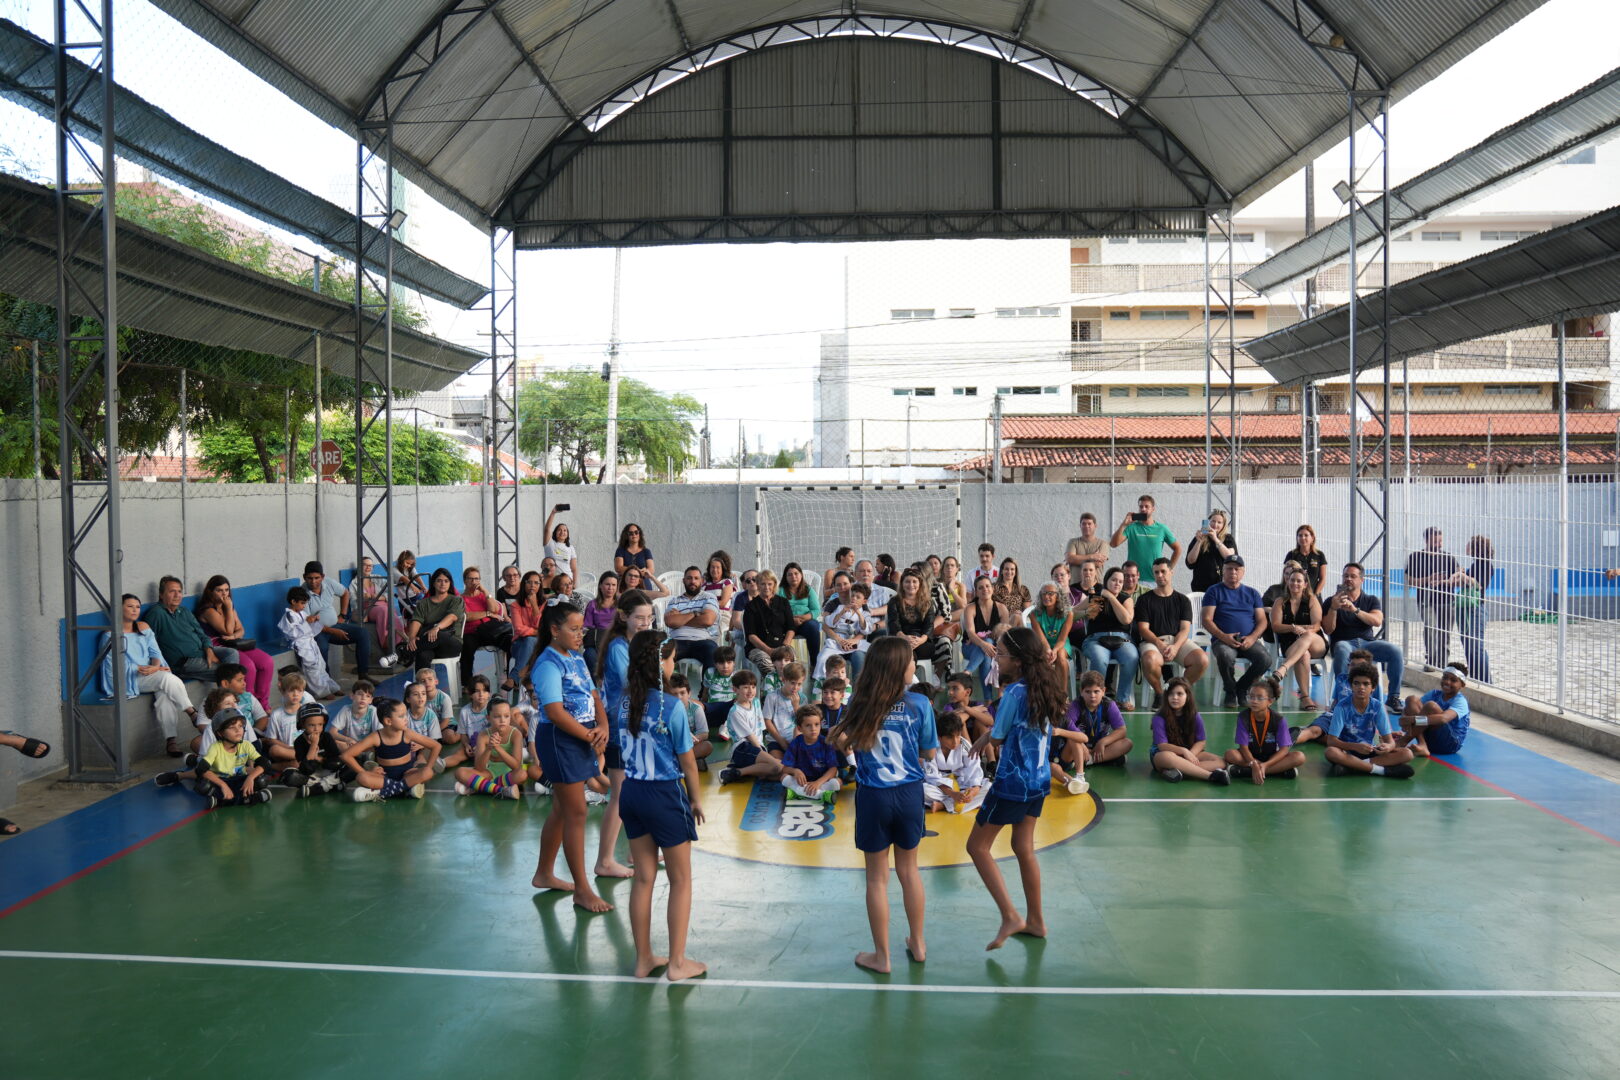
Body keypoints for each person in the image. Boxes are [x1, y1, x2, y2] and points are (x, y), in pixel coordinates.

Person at [967, 627, 1080, 950]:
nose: (996, 658)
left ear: (1016, 660)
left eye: (1000, 653)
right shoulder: (1043, 685)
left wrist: (988, 735)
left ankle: (1009, 915)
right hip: (1039, 779)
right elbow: (1014, 729)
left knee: (977, 847)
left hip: (1012, 782)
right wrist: (984, 737)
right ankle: (1036, 921)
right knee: (1023, 847)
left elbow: (1000, 736)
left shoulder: (1014, 693)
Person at [832, 637, 937, 974]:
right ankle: (918, 943)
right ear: (897, 668)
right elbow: (930, 753)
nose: (914, 665)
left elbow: (841, 740)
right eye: (910, 661)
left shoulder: (860, 705)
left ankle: (882, 957)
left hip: (874, 795)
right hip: (909, 794)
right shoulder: (920, 703)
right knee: (909, 871)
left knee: (877, 879)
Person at [616, 630, 707, 981]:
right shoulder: (672, 706)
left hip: (631, 793)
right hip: (664, 796)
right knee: (681, 880)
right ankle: (677, 963)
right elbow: (687, 762)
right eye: (669, 658)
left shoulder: (624, 701)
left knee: (643, 878)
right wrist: (696, 799)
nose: (673, 664)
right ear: (659, 664)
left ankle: (643, 960)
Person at [528, 603, 614, 913]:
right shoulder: (548, 664)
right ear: (554, 630)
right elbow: (553, 711)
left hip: (582, 737)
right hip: (559, 741)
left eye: (582, 629)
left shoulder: (576, 659)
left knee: (561, 810)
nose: (581, 635)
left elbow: (594, 697)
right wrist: (590, 737)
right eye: (574, 630)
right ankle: (582, 889)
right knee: (576, 812)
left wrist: (602, 725)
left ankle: (544, 873)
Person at [594, 589, 657, 880]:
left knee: (636, 792)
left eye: (649, 618)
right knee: (619, 797)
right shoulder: (620, 646)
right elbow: (630, 682)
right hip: (620, 729)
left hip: (635, 726)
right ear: (624, 616)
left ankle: (636, 851)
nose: (645, 623)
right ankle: (605, 860)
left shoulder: (639, 643)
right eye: (639, 618)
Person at [102, 593, 196, 757]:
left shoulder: (143, 628)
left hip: (152, 674)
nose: (135, 610)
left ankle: (171, 741)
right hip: (131, 679)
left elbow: (155, 653)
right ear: (119, 609)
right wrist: (153, 670)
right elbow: (117, 667)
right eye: (130, 606)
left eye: (137, 607)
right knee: (167, 679)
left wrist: (156, 667)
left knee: (165, 693)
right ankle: (191, 712)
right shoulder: (110, 636)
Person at [1322, 562, 1405, 708]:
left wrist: (1355, 610)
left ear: (1361, 580)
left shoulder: (1371, 600)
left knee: (1395, 651)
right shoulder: (1331, 601)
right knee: (1341, 648)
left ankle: (1393, 697)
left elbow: (1377, 621)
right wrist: (1334, 609)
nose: (1348, 579)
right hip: (1344, 643)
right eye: (1346, 576)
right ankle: (1343, 697)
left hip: (1367, 644)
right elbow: (1328, 630)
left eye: (1353, 576)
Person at [1134, 557, 1208, 706]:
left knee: (1202, 660)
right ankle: (1160, 694)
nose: (1160, 575)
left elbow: (1184, 629)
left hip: (1177, 641)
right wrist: (1159, 644)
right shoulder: (1144, 599)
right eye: (1156, 572)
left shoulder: (1183, 600)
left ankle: (1178, 691)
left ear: (1171, 572)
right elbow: (1143, 629)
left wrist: (1175, 647)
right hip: (1152, 641)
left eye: (1163, 571)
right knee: (1150, 660)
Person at [193, 575, 275, 705]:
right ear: (210, 592)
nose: (224, 594)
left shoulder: (228, 606)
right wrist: (229, 610)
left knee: (267, 662)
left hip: (232, 643)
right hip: (217, 646)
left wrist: (233, 636)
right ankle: (248, 706)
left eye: (226, 590)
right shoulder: (208, 610)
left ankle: (262, 704)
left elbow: (241, 630)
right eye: (219, 590)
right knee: (248, 667)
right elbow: (228, 630)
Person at [1201, 555, 1269, 709]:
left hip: (1248, 640)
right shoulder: (1213, 591)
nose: (1233, 572)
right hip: (1223, 640)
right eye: (1229, 568)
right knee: (1225, 655)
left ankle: (1241, 688)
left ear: (1243, 572)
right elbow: (1206, 619)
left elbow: (1262, 621)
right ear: (1223, 571)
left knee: (1265, 659)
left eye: (1237, 569)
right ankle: (1230, 691)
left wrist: (1252, 638)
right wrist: (1223, 637)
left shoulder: (1252, 593)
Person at [1323, 664, 1415, 779]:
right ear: (1351, 686)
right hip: (1347, 752)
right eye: (1356, 683)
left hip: (1368, 751)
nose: (1361, 687)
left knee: (1407, 753)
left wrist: (1387, 747)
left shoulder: (1377, 706)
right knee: (1331, 752)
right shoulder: (1341, 707)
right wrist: (1355, 746)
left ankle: (1352, 767)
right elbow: (1331, 741)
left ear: (1373, 687)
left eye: (1366, 684)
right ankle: (1380, 770)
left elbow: (1390, 741)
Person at [343, 696, 440, 801]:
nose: (406, 719)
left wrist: (428, 766)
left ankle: (382, 792)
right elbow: (346, 755)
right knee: (361, 777)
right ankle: (404, 788)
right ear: (388, 721)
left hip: (407, 774)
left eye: (405, 715)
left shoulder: (407, 734)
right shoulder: (375, 737)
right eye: (401, 716)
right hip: (384, 777)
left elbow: (436, 746)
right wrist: (364, 772)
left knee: (428, 772)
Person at [144, 576, 240, 680]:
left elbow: (202, 634)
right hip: (184, 661)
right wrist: (159, 665)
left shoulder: (184, 611)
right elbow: (149, 644)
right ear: (161, 595)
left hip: (201, 652)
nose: (177, 595)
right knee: (229, 672)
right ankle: (227, 694)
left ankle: (226, 693)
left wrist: (209, 649)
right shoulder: (156, 614)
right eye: (172, 591)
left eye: (179, 591)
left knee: (231, 654)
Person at [300, 561, 376, 683]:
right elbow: (310, 623)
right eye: (309, 578)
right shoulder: (302, 593)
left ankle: (363, 675)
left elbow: (345, 593)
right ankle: (327, 683)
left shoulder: (328, 583)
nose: (313, 582)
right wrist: (334, 631)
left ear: (323, 577)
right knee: (321, 648)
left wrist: (343, 614)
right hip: (318, 632)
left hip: (335, 626)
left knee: (363, 634)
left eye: (316, 578)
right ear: (304, 577)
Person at [1222, 677, 1305, 783]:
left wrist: (1265, 765)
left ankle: (1246, 772)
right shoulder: (1243, 717)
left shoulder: (1279, 720)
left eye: (1260, 698)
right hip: (1249, 758)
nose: (1254, 701)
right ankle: (1278, 771)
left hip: (1272, 758)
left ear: (1270, 701)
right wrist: (1253, 763)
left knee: (1299, 757)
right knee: (1230, 754)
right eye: (1251, 697)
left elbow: (1284, 749)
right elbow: (1243, 747)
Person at [1080, 566, 1139, 710]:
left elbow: (1126, 619)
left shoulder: (1126, 599)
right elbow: (1073, 612)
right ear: (1107, 581)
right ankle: (1098, 699)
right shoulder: (1095, 597)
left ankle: (1122, 699)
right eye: (1114, 580)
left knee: (1132, 657)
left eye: (1120, 581)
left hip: (1122, 640)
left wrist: (1111, 597)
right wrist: (1086, 611)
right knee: (1100, 659)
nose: (1117, 583)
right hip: (1095, 640)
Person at [1150, 677, 1230, 784]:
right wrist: (1184, 751)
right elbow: (1162, 746)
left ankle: (1178, 771)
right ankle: (1210, 776)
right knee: (1167, 757)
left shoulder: (1195, 716)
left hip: (1190, 752)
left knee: (1221, 762)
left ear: (1187, 696)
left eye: (1179, 694)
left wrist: (1190, 754)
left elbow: (1201, 742)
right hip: (1164, 755)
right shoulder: (1159, 718)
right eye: (1171, 694)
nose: (1175, 697)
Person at [1271, 563, 1327, 710]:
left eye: (1299, 581)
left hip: (1316, 642)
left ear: (1305, 584)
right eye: (1292, 580)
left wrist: (1303, 630)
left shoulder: (1312, 600)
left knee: (1308, 635)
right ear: (1287, 582)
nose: (1295, 583)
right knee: (1303, 655)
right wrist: (1292, 628)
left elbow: (1316, 626)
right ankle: (1305, 697)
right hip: (1291, 645)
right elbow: (1276, 626)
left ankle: (1283, 669)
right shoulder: (1280, 602)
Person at [194, 708, 272, 808]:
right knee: (203, 786)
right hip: (221, 780)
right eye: (232, 727)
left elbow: (265, 763)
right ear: (220, 733)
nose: (238, 730)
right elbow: (201, 769)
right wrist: (223, 785)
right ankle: (249, 798)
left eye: (240, 726)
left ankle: (222, 801)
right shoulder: (215, 747)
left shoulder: (246, 745)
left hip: (239, 779)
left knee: (261, 780)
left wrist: (250, 778)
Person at [716, 670, 784, 784]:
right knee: (778, 766)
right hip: (743, 748)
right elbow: (750, 737)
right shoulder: (735, 711)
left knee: (776, 771)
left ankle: (736, 770)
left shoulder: (756, 702)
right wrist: (766, 755)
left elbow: (759, 731)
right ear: (735, 689)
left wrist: (764, 752)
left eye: (753, 687)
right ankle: (735, 772)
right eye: (746, 687)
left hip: (756, 747)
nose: (751, 691)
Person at [1407, 526, 1460, 670]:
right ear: (1426, 540)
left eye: (1440, 541)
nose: (1438, 544)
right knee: (1430, 629)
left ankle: (1442, 665)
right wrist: (1428, 579)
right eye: (1435, 541)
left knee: (1445, 634)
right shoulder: (1416, 557)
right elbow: (1409, 580)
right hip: (1427, 600)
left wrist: (1450, 579)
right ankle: (1430, 660)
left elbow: (1459, 576)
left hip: (1447, 601)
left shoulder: (1449, 557)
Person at [453, 699, 526, 799]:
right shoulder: (483, 735)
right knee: (460, 772)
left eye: (506, 716)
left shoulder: (516, 734)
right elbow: (479, 767)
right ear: (488, 718)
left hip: (510, 774)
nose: (502, 720)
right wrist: (489, 748)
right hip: (489, 773)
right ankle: (500, 790)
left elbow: (516, 766)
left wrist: (497, 748)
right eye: (497, 716)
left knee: (522, 774)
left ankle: (479, 786)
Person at [279, 586, 342, 699]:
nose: (304, 606)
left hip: (310, 642)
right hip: (301, 645)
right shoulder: (288, 616)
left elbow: (308, 625)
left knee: (320, 666)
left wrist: (313, 620)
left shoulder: (301, 613)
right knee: (312, 669)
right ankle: (323, 692)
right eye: (302, 603)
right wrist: (307, 622)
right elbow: (293, 633)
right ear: (293, 602)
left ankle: (331, 687)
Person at [1396, 663, 1472, 757]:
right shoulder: (1434, 693)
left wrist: (1411, 720)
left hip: (1450, 744)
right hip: (1430, 739)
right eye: (1445, 678)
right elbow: (1413, 708)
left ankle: (1403, 741)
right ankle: (1422, 744)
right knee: (1411, 699)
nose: (1447, 682)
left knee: (1431, 706)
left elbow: (1443, 719)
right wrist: (1404, 716)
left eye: (1453, 680)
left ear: (1462, 685)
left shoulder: (1460, 701)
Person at [891, 568, 951, 686]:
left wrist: (920, 640)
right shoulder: (894, 601)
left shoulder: (927, 602)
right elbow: (893, 624)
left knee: (908, 649)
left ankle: (910, 681)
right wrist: (905, 638)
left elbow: (929, 625)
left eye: (914, 581)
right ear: (902, 583)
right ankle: (911, 681)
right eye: (907, 581)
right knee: (906, 649)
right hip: (901, 640)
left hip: (924, 642)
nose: (911, 585)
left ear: (920, 584)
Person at [399, 568, 464, 676]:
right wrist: (411, 638)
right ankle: (422, 689)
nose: (443, 584)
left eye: (446, 581)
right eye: (439, 580)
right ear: (433, 583)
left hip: (450, 644)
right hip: (428, 644)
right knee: (422, 655)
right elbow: (416, 620)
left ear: (450, 584)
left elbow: (452, 617)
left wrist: (437, 627)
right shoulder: (423, 603)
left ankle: (403, 653)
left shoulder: (456, 600)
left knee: (437, 634)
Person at [459, 566, 515, 689]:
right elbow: (467, 616)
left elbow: (495, 609)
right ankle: (466, 683)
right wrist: (488, 614)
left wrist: (486, 592)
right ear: (465, 581)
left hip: (491, 631)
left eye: (477, 579)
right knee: (467, 646)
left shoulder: (483, 596)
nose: (474, 582)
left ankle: (513, 679)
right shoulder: (460, 599)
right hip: (472, 632)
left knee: (512, 642)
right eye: (471, 579)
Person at [923, 711, 985, 815]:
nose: (955, 741)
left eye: (958, 735)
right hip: (940, 788)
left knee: (988, 789)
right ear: (939, 737)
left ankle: (942, 805)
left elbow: (975, 773)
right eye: (950, 737)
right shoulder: (930, 747)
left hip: (963, 785)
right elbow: (932, 777)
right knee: (922, 790)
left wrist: (973, 791)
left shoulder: (965, 745)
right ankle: (957, 804)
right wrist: (953, 794)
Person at [1068, 669, 1132, 770]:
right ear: (1081, 692)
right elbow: (1068, 728)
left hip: (1100, 746)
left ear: (1103, 691)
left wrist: (1103, 742)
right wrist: (1081, 744)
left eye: (1096, 691)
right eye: (1088, 692)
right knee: (1069, 744)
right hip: (1080, 745)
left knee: (1127, 743)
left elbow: (1122, 730)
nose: (1092, 696)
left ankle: (1089, 760)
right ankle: (1106, 759)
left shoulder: (1109, 705)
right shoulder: (1076, 705)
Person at [348, 558, 405, 669]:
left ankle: (396, 647)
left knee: (395, 617)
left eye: (371, 565)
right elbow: (353, 602)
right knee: (383, 611)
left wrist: (379, 596)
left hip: (383, 604)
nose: (368, 567)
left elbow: (389, 594)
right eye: (365, 565)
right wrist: (363, 599)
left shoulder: (378, 578)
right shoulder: (354, 583)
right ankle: (385, 643)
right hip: (369, 608)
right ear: (360, 566)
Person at [1111, 495, 1182, 583]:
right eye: (1141, 506)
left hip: (1154, 579)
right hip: (1133, 580)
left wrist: (1168, 569)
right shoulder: (1131, 527)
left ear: (1153, 509)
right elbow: (1113, 544)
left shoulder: (1162, 529)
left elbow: (1178, 549)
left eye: (1146, 506)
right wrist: (1124, 524)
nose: (1143, 509)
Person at [780, 705, 842, 805]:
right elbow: (785, 768)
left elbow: (833, 769)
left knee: (837, 782)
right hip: (802, 781)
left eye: (816, 724)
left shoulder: (825, 742)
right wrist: (795, 771)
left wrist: (818, 783)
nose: (813, 729)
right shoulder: (796, 743)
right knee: (784, 777)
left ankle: (797, 793)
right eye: (808, 725)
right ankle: (822, 795)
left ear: (821, 725)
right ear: (800, 728)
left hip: (822, 780)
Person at [285, 702, 348, 798]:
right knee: (288, 776)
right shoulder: (299, 741)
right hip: (312, 775)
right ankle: (329, 785)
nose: (316, 729)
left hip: (330, 772)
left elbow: (336, 762)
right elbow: (305, 768)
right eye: (311, 725)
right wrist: (314, 745)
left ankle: (322, 786)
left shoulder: (326, 736)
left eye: (320, 724)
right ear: (302, 725)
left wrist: (318, 759)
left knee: (352, 764)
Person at [663, 567, 721, 671]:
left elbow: (707, 620)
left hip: (702, 641)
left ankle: (706, 687)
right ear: (684, 581)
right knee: (659, 652)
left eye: (696, 578)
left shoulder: (709, 597)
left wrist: (680, 619)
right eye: (689, 578)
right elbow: (670, 621)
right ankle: (664, 686)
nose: (692, 581)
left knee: (713, 652)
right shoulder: (674, 601)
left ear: (702, 581)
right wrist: (695, 613)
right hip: (677, 641)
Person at [816, 582, 873, 681]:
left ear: (864, 601)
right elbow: (829, 622)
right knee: (822, 658)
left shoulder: (865, 613)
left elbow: (866, 630)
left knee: (869, 655)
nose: (854, 598)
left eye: (858, 597)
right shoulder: (840, 607)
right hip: (836, 643)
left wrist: (859, 614)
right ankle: (820, 684)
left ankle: (859, 689)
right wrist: (842, 612)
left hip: (854, 644)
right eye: (853, 595)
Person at [1456, 535, 1494, 684]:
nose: (1466, 547)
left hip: (1476, 608)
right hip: (1468, 608)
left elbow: (1478, 585)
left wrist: (1462, 576)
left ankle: (1485, 682)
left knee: (1475, 646)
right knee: (1468, 644)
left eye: (1469, 545)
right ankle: (1477, 679)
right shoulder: (1476, 565)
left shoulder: (1485, 565)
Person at [961, 574, 1008, 692]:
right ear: (976, 592)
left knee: (987, 652)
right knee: (986, 647)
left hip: (994, 649)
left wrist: (987, 645)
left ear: (992, 589)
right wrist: (983, 644)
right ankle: (988, 700)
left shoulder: (1002, 608)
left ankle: (967, 672)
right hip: (970, 647)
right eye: (980, 588)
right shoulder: (970, 608)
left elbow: (1004, 634)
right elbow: (970, 632)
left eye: (987, 586)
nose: (985, 589)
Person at [743, 569, 796, 671]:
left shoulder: (783, 602)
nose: (766, 587)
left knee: (792, 669)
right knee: (769, 667)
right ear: (758, 585)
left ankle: (789, 687)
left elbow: (791, 628)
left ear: (774, 585)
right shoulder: (751, 606)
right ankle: (770, 686)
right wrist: (769, 650)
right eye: (763, 584)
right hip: (757, 648)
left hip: (782, 645)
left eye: (769, 584)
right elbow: (751, 635)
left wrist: (784, 646)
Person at [1030, 582, 1074, 685]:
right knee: (1043, 657)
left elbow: (1062, 639)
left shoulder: (1068, 614)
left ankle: (1062, 695)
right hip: (1043, 644)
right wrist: (1048, 649)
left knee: (1060, 656)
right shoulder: (1034, 614)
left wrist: (1054, 650)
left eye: (1050, 593)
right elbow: (1041, 638)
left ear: (1058, 596)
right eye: (1043, 593)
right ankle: (1047, 694)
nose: (1046, 596)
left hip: (1061, 644)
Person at [508, 570, 546, 688]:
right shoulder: (516, 605)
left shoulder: (545, 604)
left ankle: (514, 677)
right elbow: (519, 629)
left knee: (532, 642)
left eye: (536, 583)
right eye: (529, 582)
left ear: (540, 586)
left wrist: (534, 605)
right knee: (530, 640)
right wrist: (536, 632)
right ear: (524, 584)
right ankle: (519, 676)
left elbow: (542, 625)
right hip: (519, 644)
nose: (533, 586)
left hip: (540, 645)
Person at [1184, 508, 1236, 593]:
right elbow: (1190, 561)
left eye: (1219, 522)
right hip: (1200, 587)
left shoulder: (1228, 539)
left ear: (1223, 525)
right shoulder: (1200, 537)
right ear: (1208, 522)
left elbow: (1230, 557)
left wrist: (1215, 539)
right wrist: (1199, 542)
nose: (1215, 524)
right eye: (1213, 521)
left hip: (1221, 587)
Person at [778, 562, 822, 659]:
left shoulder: (808, 590)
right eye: (790, 574)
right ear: (785, 577)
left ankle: (815, 664)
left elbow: (816, 610)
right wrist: (791, 620)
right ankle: (782, 660)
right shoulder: (780, 591)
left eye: (796, 573)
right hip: (786, 624)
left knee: (814, 626)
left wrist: (803, 618)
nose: (793, 577)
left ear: (801, 575)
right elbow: (777, 611)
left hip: (804, 623)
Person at [581, 571, 620, 668]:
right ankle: (598, 682)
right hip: (596, 642)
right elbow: (588, 626)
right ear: (600, 586)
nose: (610, 588)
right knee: (589, 654)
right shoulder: (592, 604)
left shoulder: (621, 604)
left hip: (616, 641)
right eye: (607, 584)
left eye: (613, 585)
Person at [330, 678, 377, 751]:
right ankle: (361, 755)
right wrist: (347, 739)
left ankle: (357, 755)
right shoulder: (346, 710)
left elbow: (379, 733)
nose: (363, 698)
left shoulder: (373, 711)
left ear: (371, 700)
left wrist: (363, 744)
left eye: (367, 696)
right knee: (333, 743)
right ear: (352, 696)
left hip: (367, 746)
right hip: (350, 745)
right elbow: (332, 732)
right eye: (360, 694)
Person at [1287, 525, 1330, 597]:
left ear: (1312, 538)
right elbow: (1286, 576)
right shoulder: (1291, 555)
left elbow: (1322, 579)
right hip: (1295, 596)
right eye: (1300, 535)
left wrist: (1315, 595)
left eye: (1306, 535)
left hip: (1314, 595)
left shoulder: (1319, 555)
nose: (1303, 538)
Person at [854, 560, 894, 634]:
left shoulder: (881, 591)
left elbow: (890, 611)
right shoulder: (847, 589)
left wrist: (872, 613)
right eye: (862, 571)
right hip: (852, 629)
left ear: (873, 575)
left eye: (869, 571)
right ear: (855, 574)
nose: (866, 574)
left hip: (874, 631)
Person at [1064, 511, 1109, 576]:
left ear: (1095, 526)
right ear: (1080, 526)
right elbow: (1069, 559)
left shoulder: (1103, 544)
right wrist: (1092, 556)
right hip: (1075, 584)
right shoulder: (1072, 542)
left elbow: (1098, 563)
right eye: (1084, 524)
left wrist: (1076, 559)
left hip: (1095, 584)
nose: (1086, 526)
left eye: (1089, 524)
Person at [544, 507, 579, 583]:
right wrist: (553, 513)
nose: (562, 532)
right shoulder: (550, 544)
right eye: (559, 530)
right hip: (552, 582)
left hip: (567, 581)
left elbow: (574, 569)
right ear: (555, 533)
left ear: (567, 534)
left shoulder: (570, 548)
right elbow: (547, 529)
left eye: (565, 530)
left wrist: (574, 584)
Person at [394, 550, 428, 618]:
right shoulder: (394, 569)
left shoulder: (411, 568)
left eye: (411, 564)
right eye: (407, 563)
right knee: (408, 617)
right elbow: (404, 578)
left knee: (422, 613)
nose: (409, 565)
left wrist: (423, 586)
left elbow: (416, 576)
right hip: (404, 599)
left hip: (416, 596)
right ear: (401, 560)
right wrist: (413, 587)